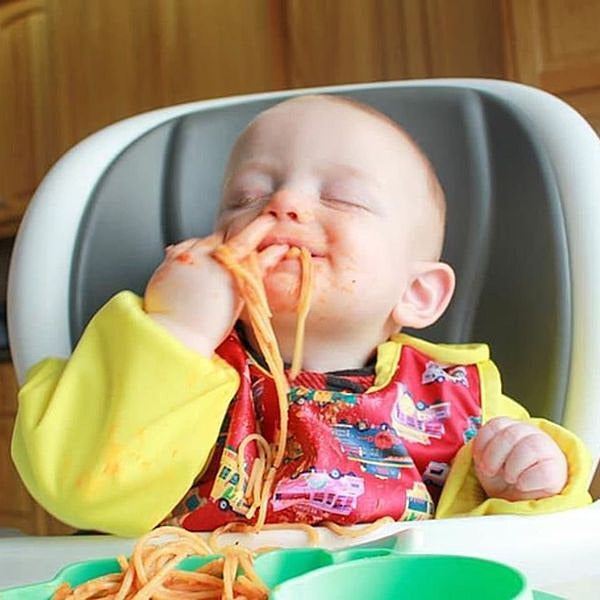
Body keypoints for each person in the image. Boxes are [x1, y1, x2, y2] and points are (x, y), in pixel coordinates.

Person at [11, 95, 592, 537]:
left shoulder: (456, 401)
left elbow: (513, 548)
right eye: (245, 198)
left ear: (416, 293)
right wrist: (177, 330)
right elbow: (78, 489)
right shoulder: (168, 364)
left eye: (341, 198)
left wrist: (525, 489)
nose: (280, 205)